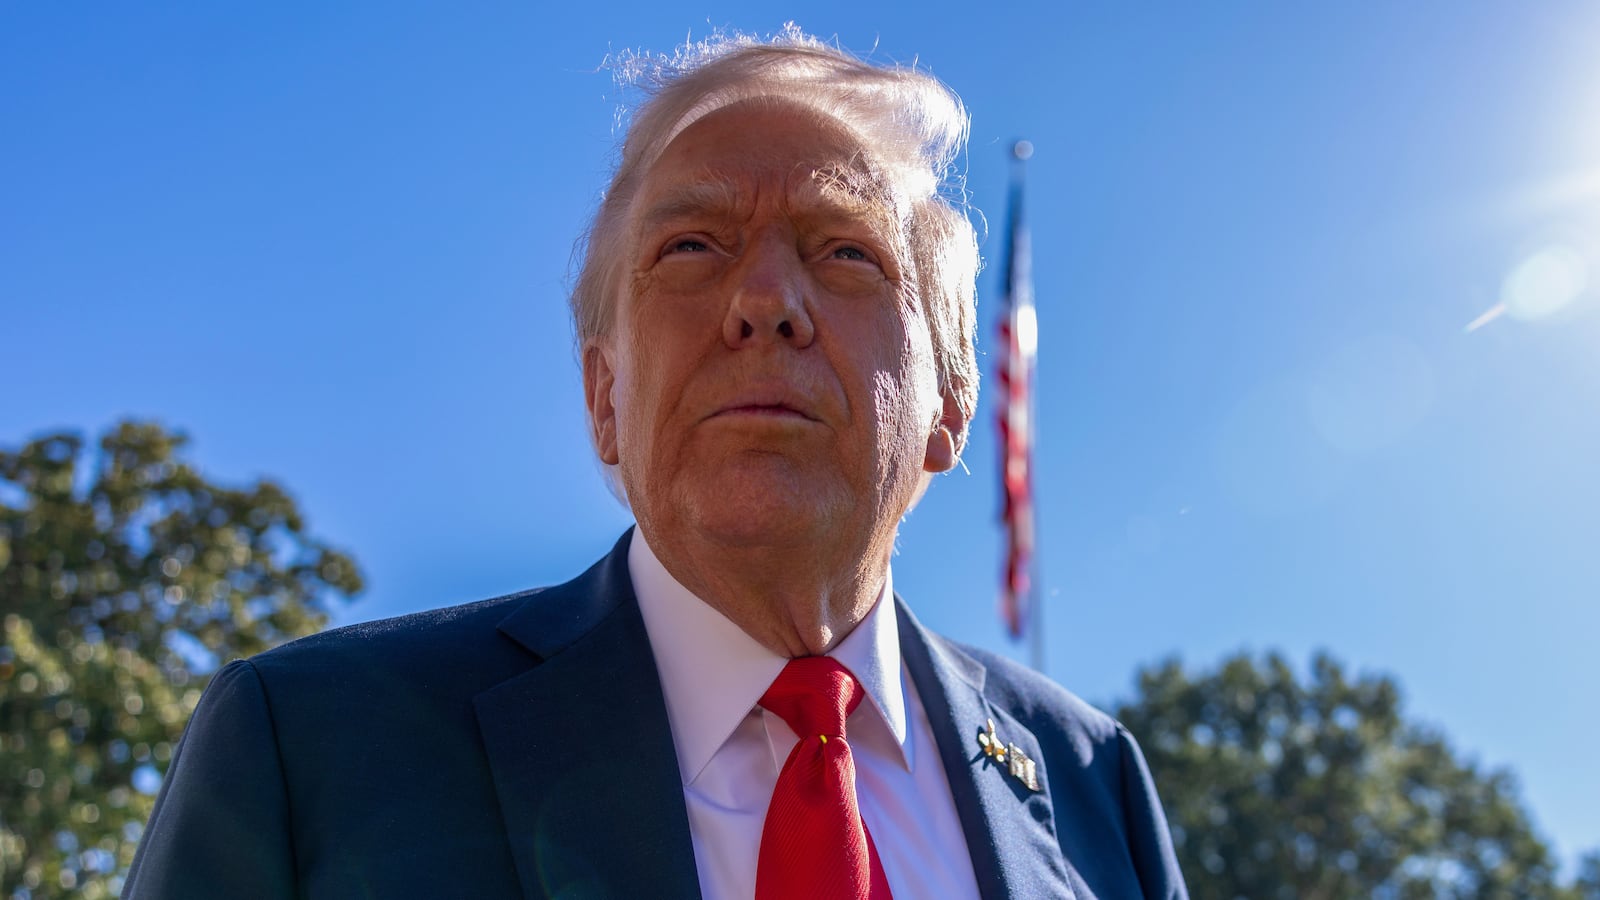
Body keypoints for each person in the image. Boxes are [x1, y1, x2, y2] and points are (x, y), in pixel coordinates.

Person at [125, 29, 1188, 900]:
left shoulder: (1094, 784)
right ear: (604, 397)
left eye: (845, 250)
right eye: (692, 248)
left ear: (952, 402)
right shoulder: (309, 749)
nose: (764, 300)